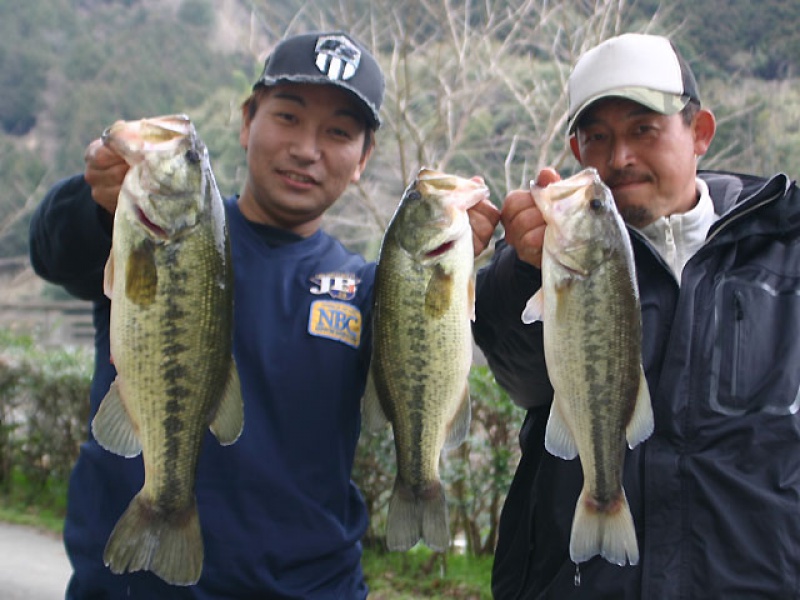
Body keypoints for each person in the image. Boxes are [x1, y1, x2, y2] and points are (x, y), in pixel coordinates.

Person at [29, 30, 499, 599]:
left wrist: (463, 263)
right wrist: (93, 199)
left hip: (313, 588)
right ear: (247, 120)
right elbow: (55, 250)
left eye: (338, 133)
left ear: (362, 160)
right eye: (288, 117)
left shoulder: (371, 290)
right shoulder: (153, 230)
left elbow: (442, 344)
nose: (307, 148)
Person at [472, 32, 800, 599]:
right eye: (597, 137)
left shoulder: (785, 250)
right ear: (578, 153)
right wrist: (524, 269)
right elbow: (523, 377)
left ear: (699, 133)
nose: (619, 157)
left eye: (643, 129)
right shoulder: (548, 257)